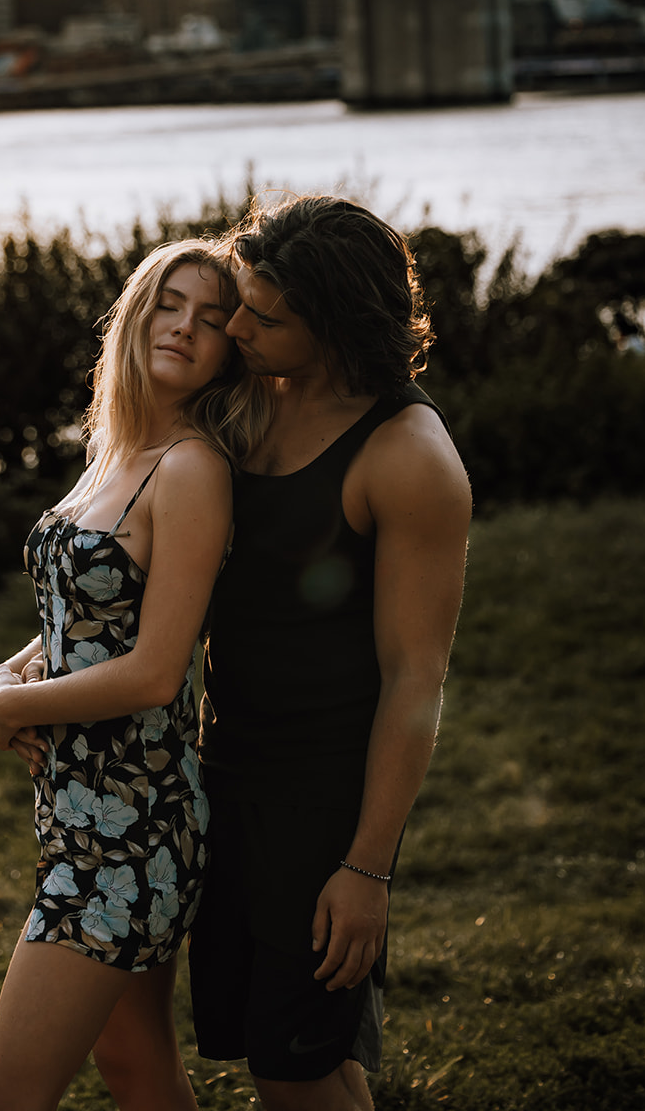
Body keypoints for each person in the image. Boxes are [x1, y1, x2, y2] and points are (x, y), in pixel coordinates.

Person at [0, 238, 270, 1111]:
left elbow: (151, 670)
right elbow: (82, 614)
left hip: (132, 834)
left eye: (212, 321)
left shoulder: (191, 468)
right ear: (137, 310)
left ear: (227, 353)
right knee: (136, 1075)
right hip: (75, 814)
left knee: (0, 1100)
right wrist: (13, 668)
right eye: (170, 304)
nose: (184, 328)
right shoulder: (115, 451)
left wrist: (6, 707)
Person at [189, 195, 472, 1111]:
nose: (234, 327)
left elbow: (414, 678)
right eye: (241, 302)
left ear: (337, 325)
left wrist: (366, 868)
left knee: (292, 1067)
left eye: (263, 317)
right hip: (219, 775)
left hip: (322, 807)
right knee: (299, 1059)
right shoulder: (240, 400)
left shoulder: (407, 456)